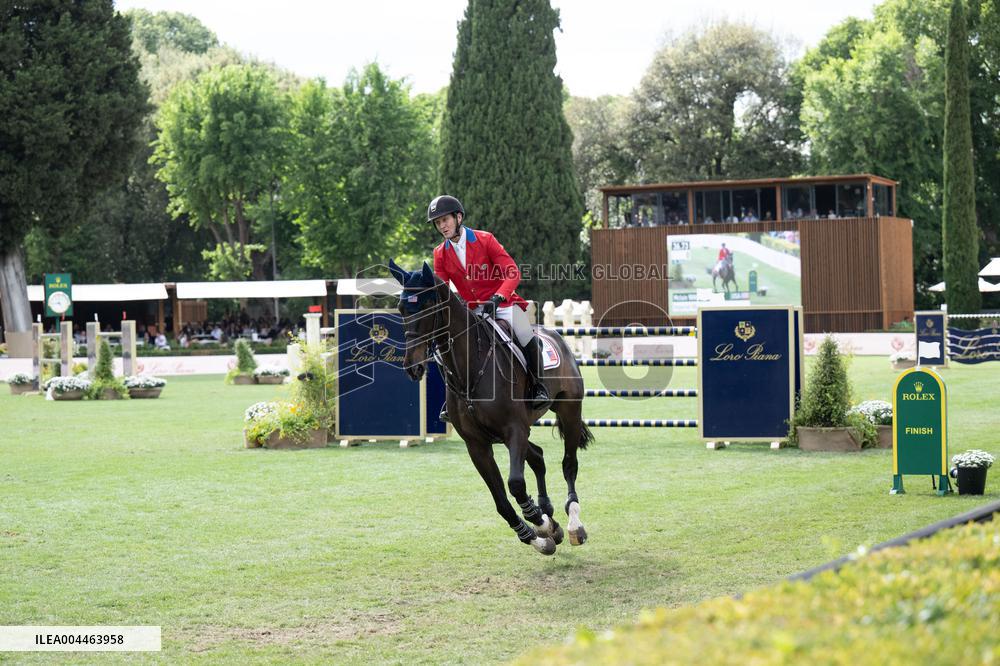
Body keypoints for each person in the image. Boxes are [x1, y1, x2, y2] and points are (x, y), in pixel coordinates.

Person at [426, 194, 551, 422]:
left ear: (458, 217)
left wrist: (497, 298)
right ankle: (452, 398)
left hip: (502, 304)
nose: (442, 226)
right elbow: (443, 290)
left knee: (526, 335)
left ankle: (538, 387)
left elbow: (512, 272)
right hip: (472, 310)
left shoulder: (485, 239)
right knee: (443, 348)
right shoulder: (439, 253)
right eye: (437, 222)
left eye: (445, 220)